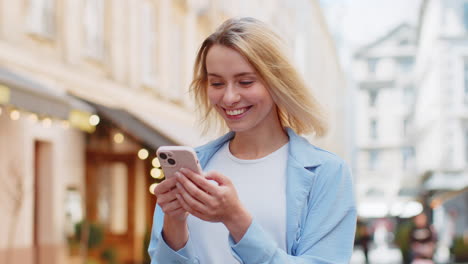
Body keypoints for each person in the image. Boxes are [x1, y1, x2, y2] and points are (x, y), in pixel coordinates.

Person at [148, 17, 357, 264]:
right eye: (216, 83)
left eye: (245, 82)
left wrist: (236, 219)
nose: (229, 97)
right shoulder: (195, 167)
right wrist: (175, 220)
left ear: (276, 82)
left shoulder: (327, 173)